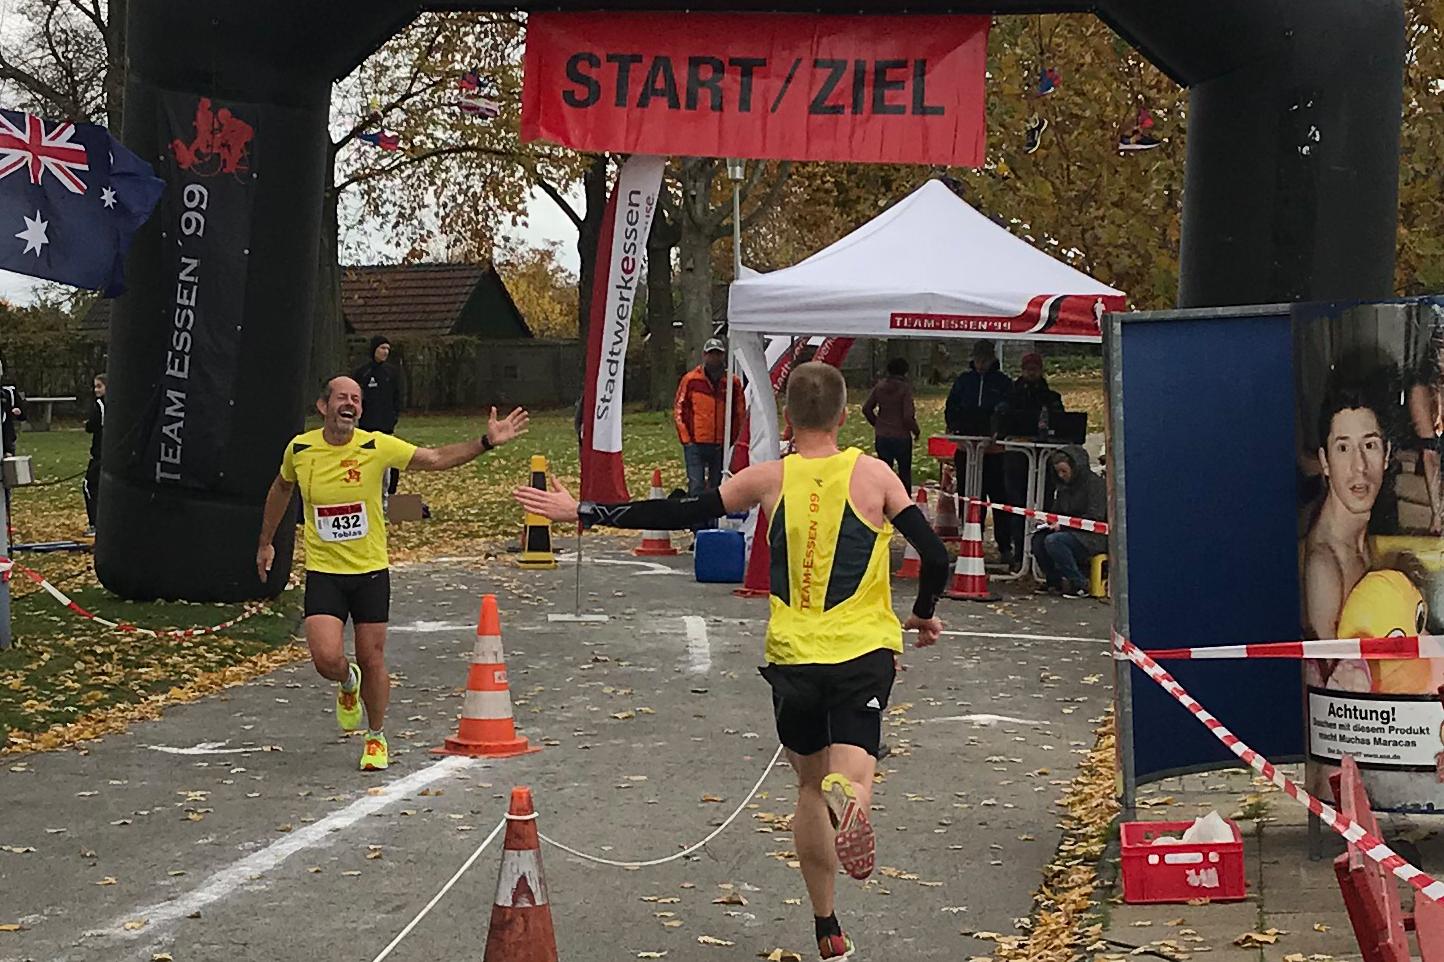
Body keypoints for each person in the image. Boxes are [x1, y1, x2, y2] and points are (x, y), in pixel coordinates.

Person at [516, 362, 951, 960]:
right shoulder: (875, 476)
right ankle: (849, 799)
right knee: (852, 776)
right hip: (862, 652)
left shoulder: (767, 477)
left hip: (794, 659)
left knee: (805, 787)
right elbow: (934, 554)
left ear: (789, 419)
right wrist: (924, 610)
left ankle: (827, 925)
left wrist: (585, 511)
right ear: (847, 415)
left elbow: (684, 512)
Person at [256, 376, 528, 771]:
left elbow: (434, 459)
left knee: (373, 658)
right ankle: (347, 683)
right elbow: (281, 489)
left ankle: (375, 736)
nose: (350, 405)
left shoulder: (376, 445)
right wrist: (267, 541)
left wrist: (485, 443)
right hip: (325, 572)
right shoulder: (300, 449)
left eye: (357, 400)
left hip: (369, 572)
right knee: (326, 658)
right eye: (342, 398)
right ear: (322, 406)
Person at [1302, 383, 1391, 690]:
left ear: (1387, 454)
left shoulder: (1362, 541)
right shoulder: (1324, 567)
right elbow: (1328, 699)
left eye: (1369, 445)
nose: (1359, 467)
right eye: (1343, 448)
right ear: (1325, 462)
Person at [944, 340, 1012, 561]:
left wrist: (999, 429)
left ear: (992, 358)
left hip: (995, 453)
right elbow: (951, 407)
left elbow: (1009, 409)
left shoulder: (1003, 383)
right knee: (969, 496)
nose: (981, 363)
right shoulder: (964, 382)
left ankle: (1005, 545)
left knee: (1000, 498)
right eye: (978, 358)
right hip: (967, 449)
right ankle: (972, 539)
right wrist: (955, 428)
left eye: (985, 358)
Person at [998, 353, 1064, 570]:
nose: (1031, 372)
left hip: (1043, 457)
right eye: (1028, 368)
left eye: (1035, 368)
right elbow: (1001, 419)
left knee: (1044, 506)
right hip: (1017, 457)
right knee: (1017, 507)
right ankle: (1019, 554)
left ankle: (1041, 556)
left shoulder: (1051, 397)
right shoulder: (1010, 394)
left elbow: (1061, 423)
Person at [673, 337, 746, 499]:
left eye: (718, 354)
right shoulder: (691, 380)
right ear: (704, 355)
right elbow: (679, 409)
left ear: (723, 356)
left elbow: (739, 414)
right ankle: (696, 522)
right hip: (695, 443)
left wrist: (732, 439)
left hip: (720, 444)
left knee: (717, 487)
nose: (714, 358)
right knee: (696, 485)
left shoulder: (732, 382)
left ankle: (713, 522)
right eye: (711, 354)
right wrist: (687, 439)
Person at [1031, 445, 1108, 598]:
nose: (1061, 476)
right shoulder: (1064, 488)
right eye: (1058, 472)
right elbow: (1057, 511)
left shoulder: (1095, 485)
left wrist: (1065, 524)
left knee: (1054, 541)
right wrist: (1047, 521)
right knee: (1038, 540)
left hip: (1093, 535)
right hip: (1070, 530)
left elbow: (1096, 516)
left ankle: (1079, 583)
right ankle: (1053, 581)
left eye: (1064, 471)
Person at [354, 335, 403, 495]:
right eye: (382, 348)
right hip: (367, 428)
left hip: (386, 427)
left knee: (390, 463)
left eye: (388, 349)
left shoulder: (392, 373)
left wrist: (393, 417)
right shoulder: (363, 373)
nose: (385, 352)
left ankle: (389, 497)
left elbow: (398, 397)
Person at [862, 357, 920, 491]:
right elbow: (907, 416)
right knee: (904, 472)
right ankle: (904, 504)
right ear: (905, 372)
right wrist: (916, 430)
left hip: (882, 436)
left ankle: (884, 501)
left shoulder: (879, 387)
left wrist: (877, 423)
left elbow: (866, 408)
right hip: (901, 437)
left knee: (884, 473)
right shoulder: (904, 389)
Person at [83, 374, 106, 537]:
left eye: (99, 386)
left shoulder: (99, 405)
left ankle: (95, 524)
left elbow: (91, 425)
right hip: (111, 453)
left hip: (99, 453)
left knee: (89, 486)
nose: (96, 390)